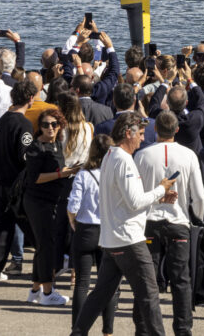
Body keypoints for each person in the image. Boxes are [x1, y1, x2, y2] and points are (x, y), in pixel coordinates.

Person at [72, 111, 178, 336]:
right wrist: (162, 188)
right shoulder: (123, 159)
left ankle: (77, 333)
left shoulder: (110, 155)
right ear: (128, 133)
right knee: (150, 295)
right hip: (128, 240)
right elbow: (134, 201)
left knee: (100, 294)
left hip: (113, 239)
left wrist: (158, 197)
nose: (142, 138)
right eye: (139, 134)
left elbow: (124, 198)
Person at [136, 110, 204, 336]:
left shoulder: (142, 155)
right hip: (178, 221)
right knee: (181, 281)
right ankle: (183, 330)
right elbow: (200, 195)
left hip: (149, 222)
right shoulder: (189, 155)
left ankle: (145, 329)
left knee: (147, 281)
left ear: (155, 129)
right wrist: (197, 217)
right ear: (177, 130)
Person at [0, 79, 37, 281]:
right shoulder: (24, 124)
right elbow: (24, 156)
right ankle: (49, 262)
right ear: (31, 98)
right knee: (34, 227)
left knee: (0, 227)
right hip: (17, 185)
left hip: (0, 181)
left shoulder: (4, 119)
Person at [68, 134, 119, 336]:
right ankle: (108, 330)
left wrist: (73, 220)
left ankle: (78, 329)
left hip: (85, 229)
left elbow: (73, 204)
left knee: (82, 283)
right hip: (107, 230)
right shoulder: (114, 174)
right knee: (108, 284)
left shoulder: (83, 174)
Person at [23, 106, 73, 306]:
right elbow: (35, 178)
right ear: (40, 127)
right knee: (46, 247)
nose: (50, 128)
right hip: (37, 201)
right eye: (45, 125)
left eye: (54, 124)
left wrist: (71, 170)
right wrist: (63, 174)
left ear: (60, 125)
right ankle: (47, 291)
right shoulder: (36, 147)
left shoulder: (58, 145)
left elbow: (58, 170)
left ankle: (35, 290)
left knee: (43, 246)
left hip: (52, 201)